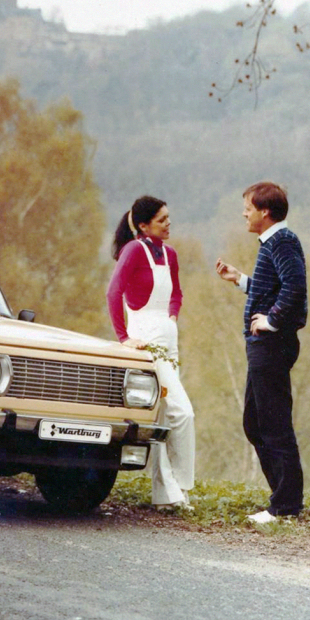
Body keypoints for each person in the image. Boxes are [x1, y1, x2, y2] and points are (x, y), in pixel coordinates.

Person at [215, 182, 307, 523]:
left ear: (264, 212)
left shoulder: (281, 240)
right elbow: (276, 287)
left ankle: (285, 506)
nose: (244, 213)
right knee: (255, 423)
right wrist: (241, 280)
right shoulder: (274, 242)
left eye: (248, 208)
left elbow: (295, 287)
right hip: (263, 346)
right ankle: (283, 497)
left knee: (273, 423)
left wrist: (271, 321)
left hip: (272, 345)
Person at [107, 196, 195, 511]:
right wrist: (124, 337)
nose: (169, 223)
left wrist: (172, 316)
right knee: (182, 413)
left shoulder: (170, 254)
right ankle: (183, 488)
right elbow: (113, 292)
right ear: (144, 225)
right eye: (162, 219)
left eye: (169, 217)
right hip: (147, 343)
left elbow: (177, 293)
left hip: (170, 341)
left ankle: (166, 496)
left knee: (164, 416)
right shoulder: (134, 250)